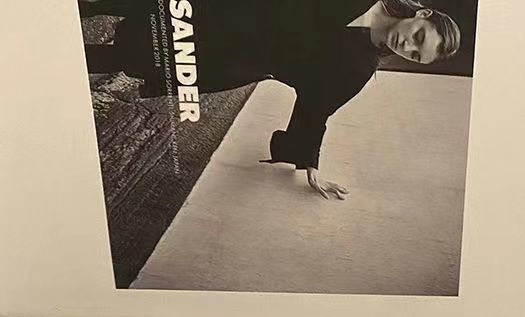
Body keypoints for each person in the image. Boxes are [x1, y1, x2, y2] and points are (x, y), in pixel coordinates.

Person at [79, 0, 461, 199]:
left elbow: (316, 106)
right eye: (418, 37)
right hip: (238, 7)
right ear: (423, 14)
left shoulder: (358, 68)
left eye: (415, 55)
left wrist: (309, 163)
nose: (406, 46)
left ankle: (65, 59)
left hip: (235, 57)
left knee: (138, 56)